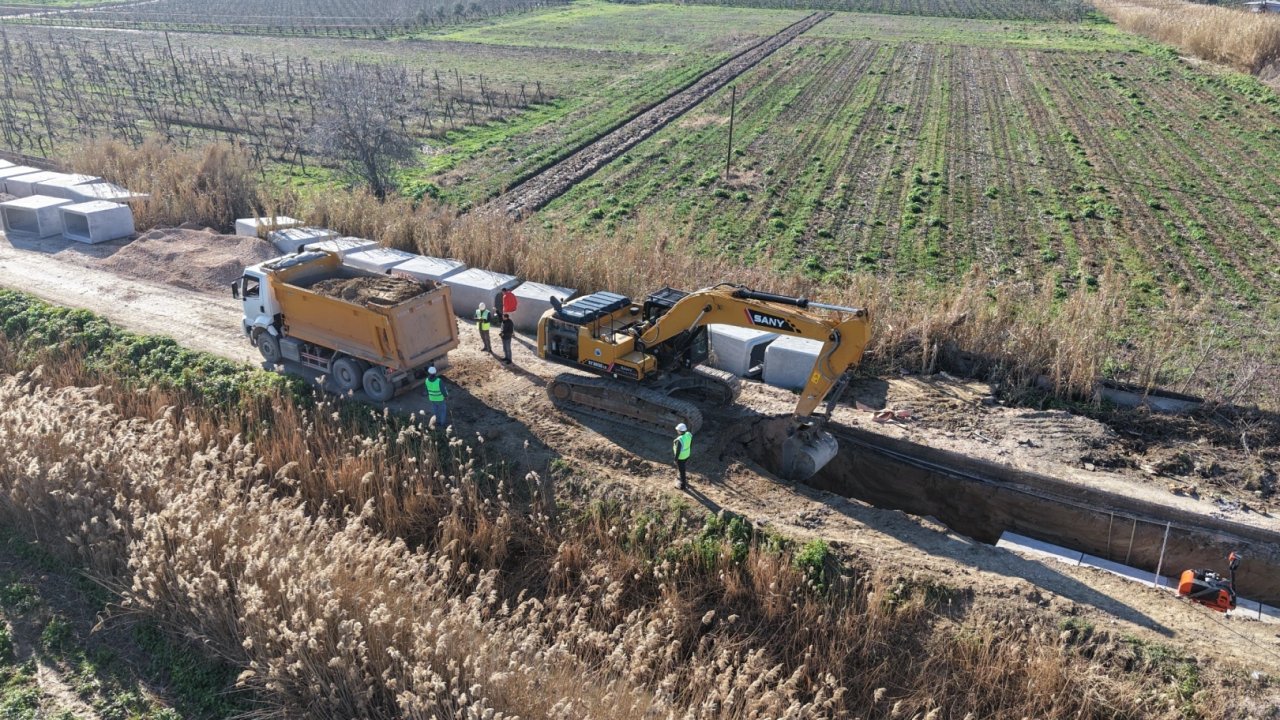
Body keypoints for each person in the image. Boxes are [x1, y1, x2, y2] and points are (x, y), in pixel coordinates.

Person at [673, 422, 692, 490]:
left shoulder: (679, 440)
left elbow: (678, 452)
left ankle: (682, 486)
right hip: (687, 455)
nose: (677, 431)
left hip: (681, 458)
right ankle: (680, 475)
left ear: (680, 431)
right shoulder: (689, 434)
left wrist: (675, 459)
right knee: (682, 467)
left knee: (682, 471)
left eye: (678, 430)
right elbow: (690, 444)